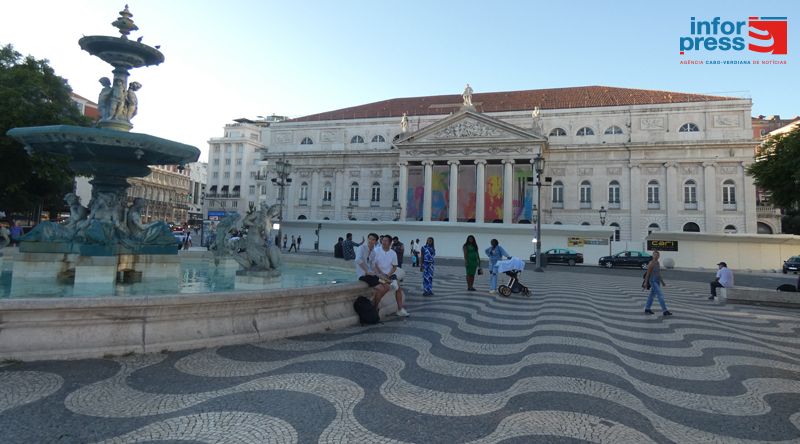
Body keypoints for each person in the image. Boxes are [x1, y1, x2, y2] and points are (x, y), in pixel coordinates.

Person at [372, 234, 409, 317]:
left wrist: (388, 274)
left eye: (385, 241)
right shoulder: (376, 250)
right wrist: (381, 273)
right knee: (385, 288)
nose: (383, 242)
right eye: (383, 240)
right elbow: (374, 264)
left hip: (388, 276)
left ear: (390, 243)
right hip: (378, 276)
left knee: (398, 288)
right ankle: (375, 306)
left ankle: (400, 309)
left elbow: (394, 266)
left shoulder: (393, 253)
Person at [355, 232, 389, 306]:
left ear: (376, 241)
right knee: (381, 288)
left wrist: (380, 274)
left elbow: (373, 266)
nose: (370, 241)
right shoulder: (362, 248)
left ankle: (374, 303)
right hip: (363, 275)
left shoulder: (373, 252)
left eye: (373, 240)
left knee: (387, 285)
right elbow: (358, 260)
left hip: (372, 275)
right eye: (369, 239)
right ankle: (375, 306)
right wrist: (367, 271)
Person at [642, 251, 672, 316]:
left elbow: (658, 273)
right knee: (660, 295)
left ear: (659, 256)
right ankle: (665, 311)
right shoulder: (651, 263)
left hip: (657, 281)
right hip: (652, 281)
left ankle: (647, 308)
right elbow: (647, 274)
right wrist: (646, 283)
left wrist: (662, 282)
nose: (656, 256)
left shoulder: (657, 263)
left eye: (657, 255)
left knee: (652, 295)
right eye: (654, 255)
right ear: (652, 256)